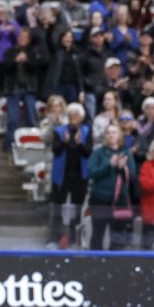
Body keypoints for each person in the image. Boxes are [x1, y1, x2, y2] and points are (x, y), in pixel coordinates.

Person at [87, 123, 136, 250]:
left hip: (119, 200)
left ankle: (114, 264)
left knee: (117, 236)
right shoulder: (98, 152)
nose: (111, 135)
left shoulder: (126, 152)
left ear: (119, 135)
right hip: (99, 200)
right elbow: (91, 172)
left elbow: (132, 175)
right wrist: (109, 165)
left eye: (114, 132)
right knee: (98, 234)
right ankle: (95, 263)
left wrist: (123, 168)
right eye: (108, 132)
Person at [50, 102, 92, 248]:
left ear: (81, 117)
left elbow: (88, 152)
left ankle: (74, 237)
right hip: (62, 176)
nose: (73, 117)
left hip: (79, 176)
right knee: (57, 207)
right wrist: (64, 141)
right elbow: (55, 150)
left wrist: (79, 143)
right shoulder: (59, 131)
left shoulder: (86, 131)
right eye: (71, 114)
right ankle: (56, 237)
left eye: (76, 115)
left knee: (78, 208)